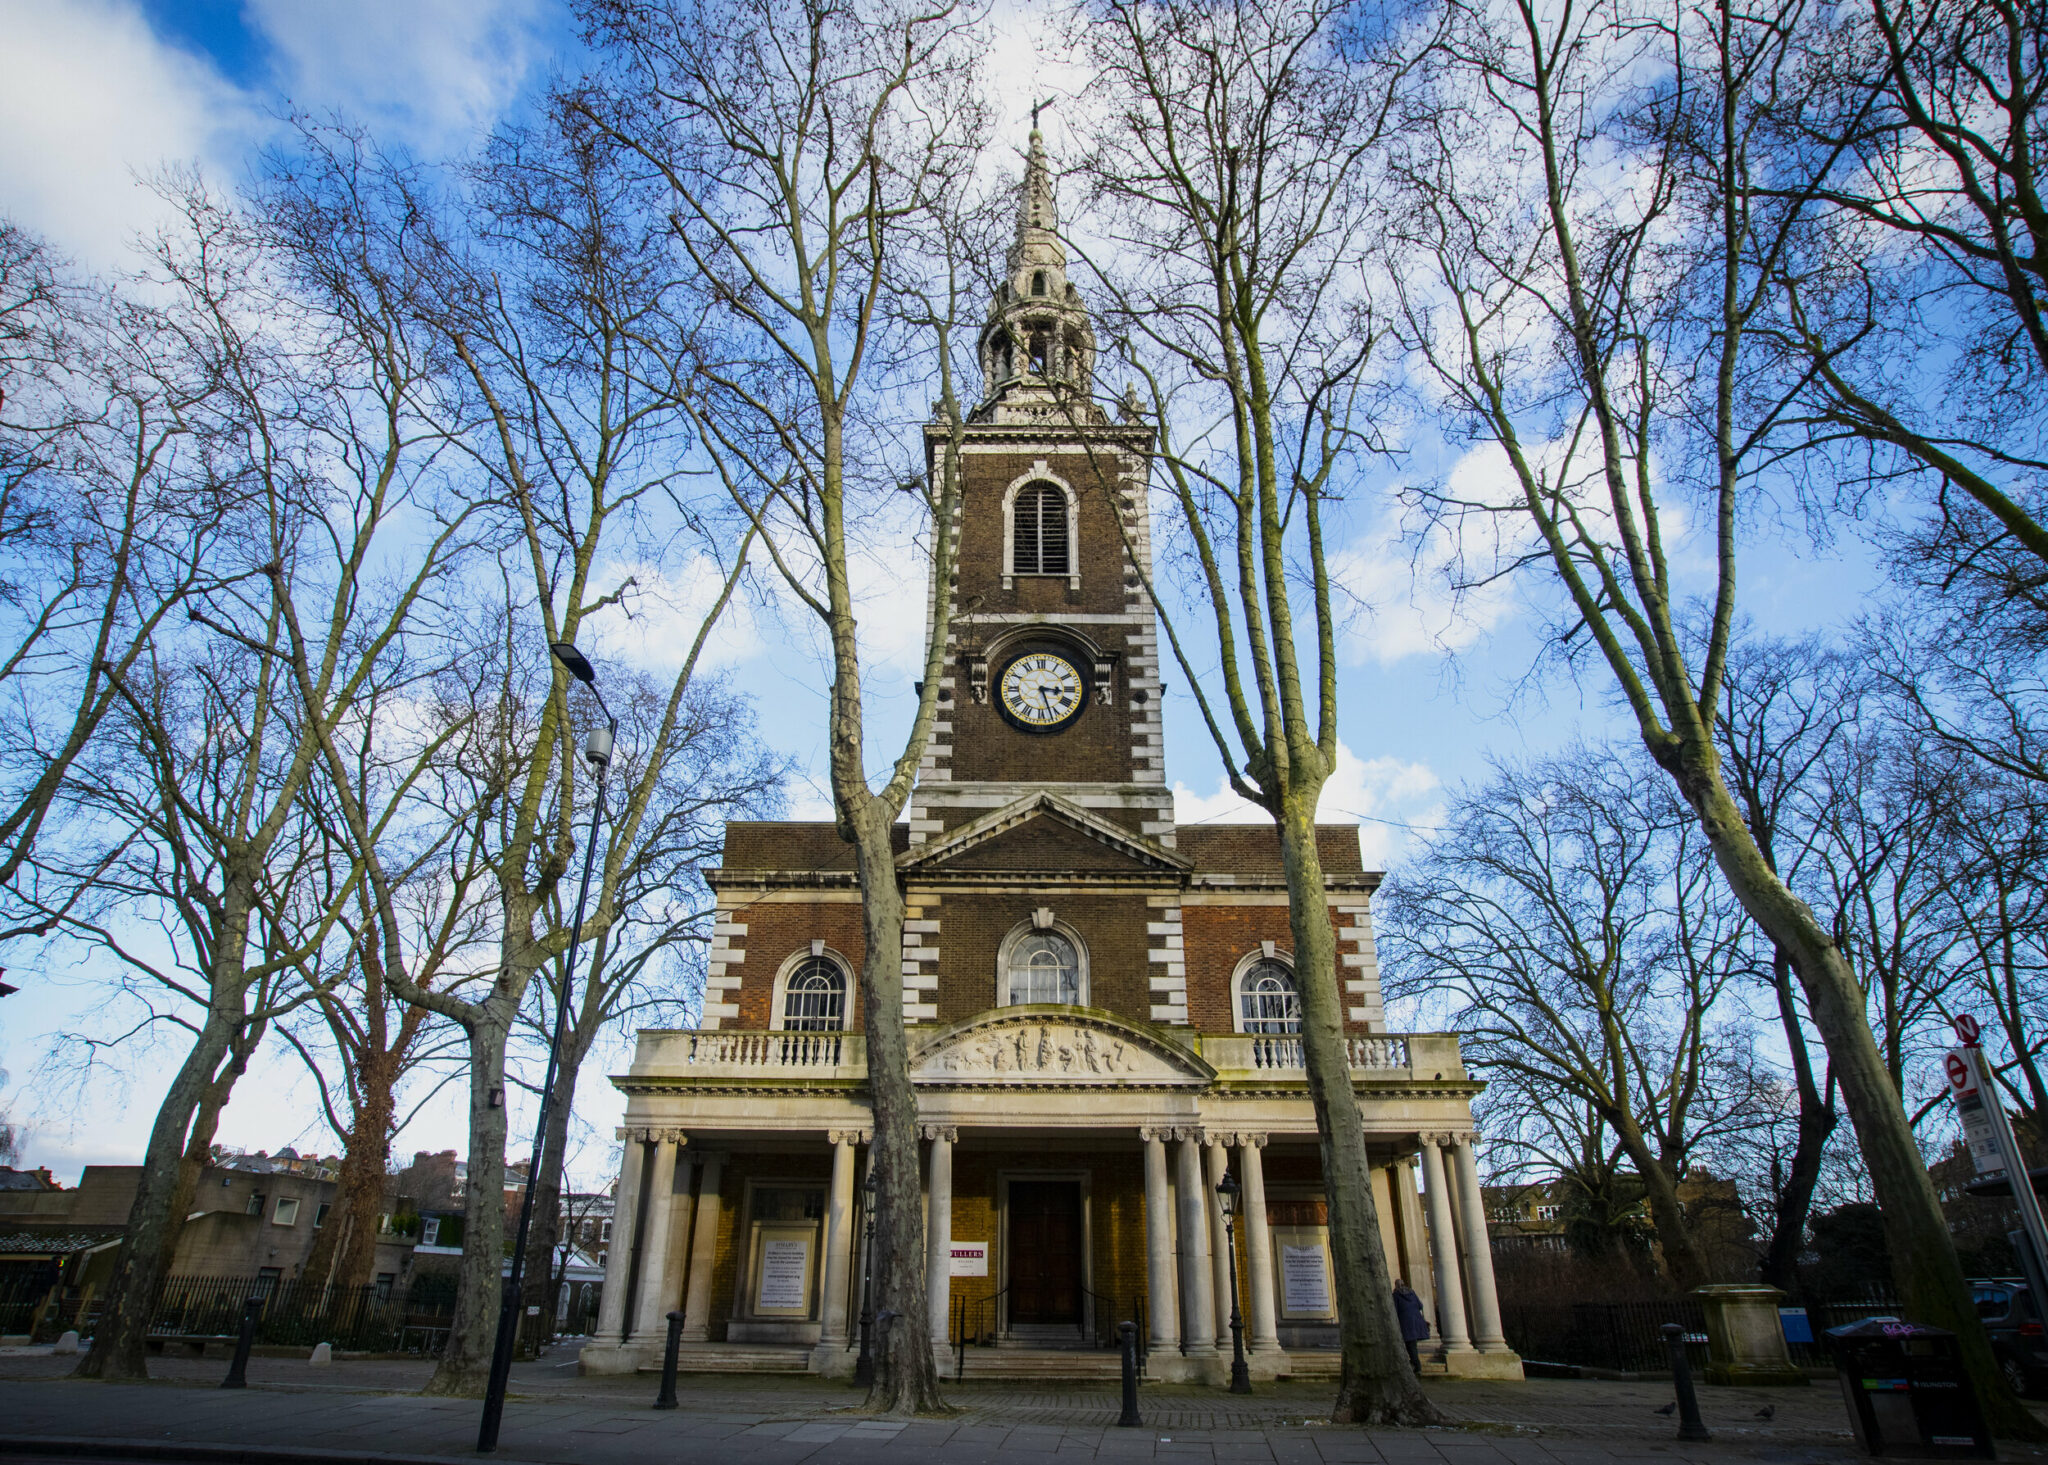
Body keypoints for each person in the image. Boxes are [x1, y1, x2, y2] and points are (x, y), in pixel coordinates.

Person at [1392, 1278, 1430, 1372]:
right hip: (1416, 1321)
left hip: (1405, 1322)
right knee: (1412, 1344)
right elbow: (1420, 1305)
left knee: (1410, 1345)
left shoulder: (1396, 1295)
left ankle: (1416, 1365)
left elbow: (1394, 1310)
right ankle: (1414, 1363)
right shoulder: (1412, 1293)